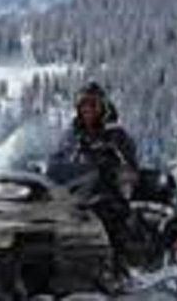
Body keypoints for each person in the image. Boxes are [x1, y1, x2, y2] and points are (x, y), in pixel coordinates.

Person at [52, 82, 139, 273]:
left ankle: (117, 269)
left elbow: (130, 165)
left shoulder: (115, 135)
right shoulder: (72, 135)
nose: (88, 110)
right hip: (74, 195)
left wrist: (115, 168)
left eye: (92, 105)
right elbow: (56, 159)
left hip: (107, 194)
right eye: (83, 105)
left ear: (102, 107)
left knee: (107, 215)